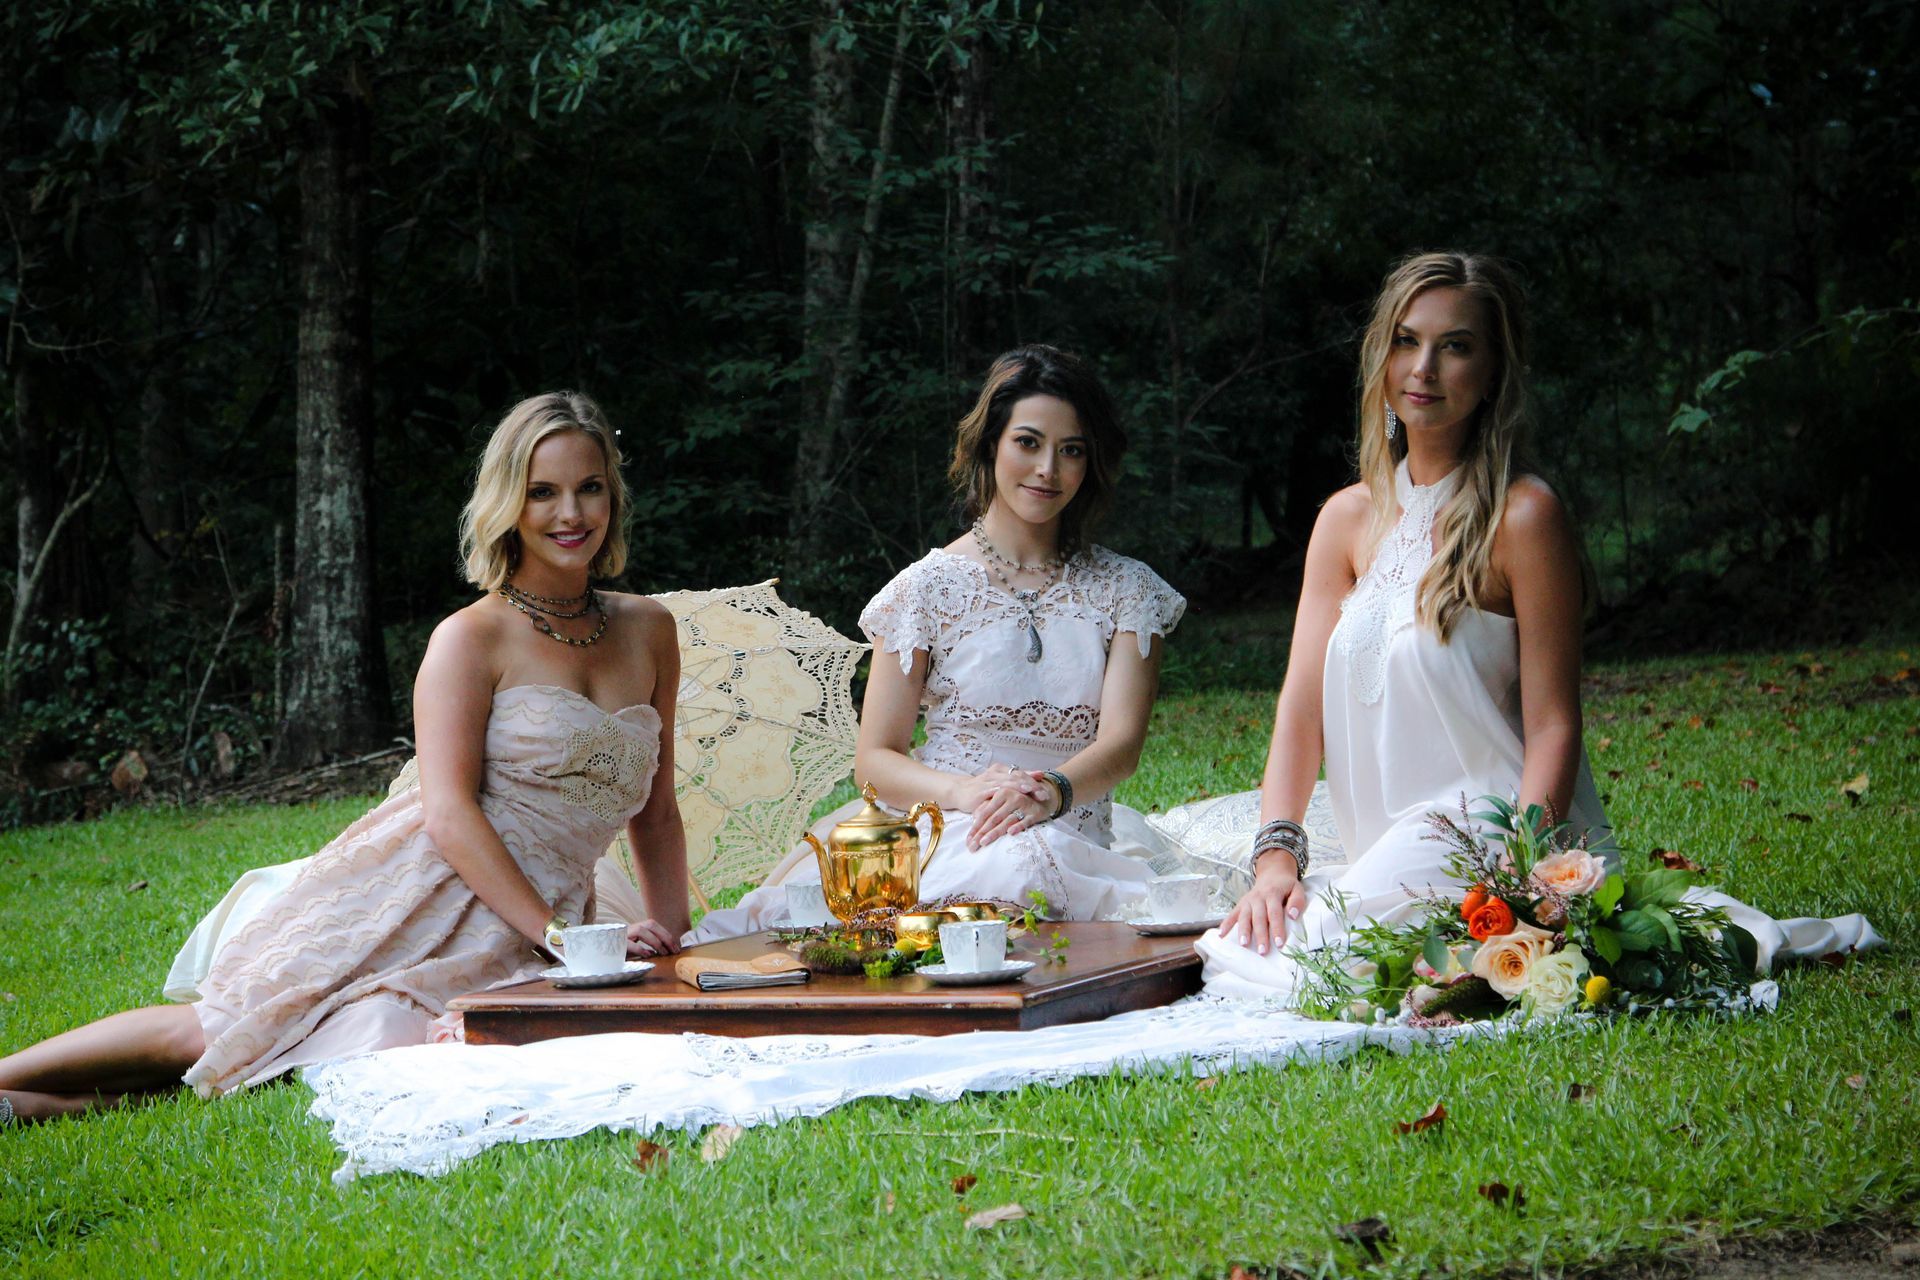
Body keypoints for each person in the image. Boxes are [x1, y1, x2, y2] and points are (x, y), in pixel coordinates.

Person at [1196, 252, 1879, 999]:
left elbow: (1554, 725)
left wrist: (1521, 881)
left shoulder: (1523, 516)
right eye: (1406, 340)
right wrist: (1276, 858)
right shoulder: (1345, 520)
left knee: (1304, 970)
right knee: (1250, 943)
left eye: (1455, 346)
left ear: (1492, 372)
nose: (1424, 367)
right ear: (1381, 359)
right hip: (1384, 840)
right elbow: (1300, 708)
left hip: (1488, 828)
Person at [0, 392, 688, 1123]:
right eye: (542, 492)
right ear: (507, 503)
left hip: (551, 924)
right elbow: (449, 812)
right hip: (425, 891)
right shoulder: (470, 638)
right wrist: (557, 939)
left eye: (589, 488)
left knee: (292, 1062)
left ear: (612, 495)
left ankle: (22, 1107)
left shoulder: (649, 629)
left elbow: (658, 807)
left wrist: (671, 941)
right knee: (225, 1029)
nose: (570, 514)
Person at [689, 345, 1187, 940]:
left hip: (1071, 825)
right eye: (1027, 442)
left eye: (1071, 450)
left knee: (1041, 879)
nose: (1047, 469)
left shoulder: (1129, 590)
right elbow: (874, 760)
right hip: (950, 825)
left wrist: (1050, 792)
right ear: (990, 445)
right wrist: (966, 793)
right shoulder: (926, 590)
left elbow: (1123, 746)